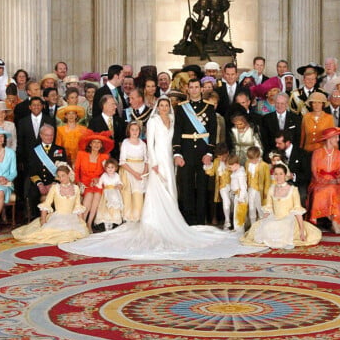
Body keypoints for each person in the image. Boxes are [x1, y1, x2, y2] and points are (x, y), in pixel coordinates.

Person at [60, 99, 265, 261]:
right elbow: (150, 143)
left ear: (170, 107)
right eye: (162, 105)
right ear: (158, 107)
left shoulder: (173, 121)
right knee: (159, 189)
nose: (165, 108)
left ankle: (174, 218)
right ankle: (155, 222)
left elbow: (175, 141)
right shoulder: (154, 121)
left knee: (172, 189)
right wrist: (153, 162)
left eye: (167, 105)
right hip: (158, 159)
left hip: (170, 158)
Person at [241, 162, 322, 249]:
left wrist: (302, 230)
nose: (278, 176)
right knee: (261, 226)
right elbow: (269, 209)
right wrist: (262, 222)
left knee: (283, 227)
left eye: (280, 174)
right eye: (276, 174)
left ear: (285, 175)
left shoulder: (293, 190)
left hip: (289, 219)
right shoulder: (271, 189)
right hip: (274, 217)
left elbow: (298, 212)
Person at [173, 77, 217, 226]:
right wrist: (177, 153)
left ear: (202, 89)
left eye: (196, 87)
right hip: (186, 152)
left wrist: (210, 153)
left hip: (203, 152)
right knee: (186, 186)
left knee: (203, 187)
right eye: (191, 87)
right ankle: (188, 221)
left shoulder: (209, 107)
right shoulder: (181, 107)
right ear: (187, 89)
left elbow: (213, 132)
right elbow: (177, 131)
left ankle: (201, 221)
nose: (194, 90)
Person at [12, 163, 89, 245]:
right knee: (49, 233)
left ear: (69, 174)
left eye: (63, 175)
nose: (61, 178)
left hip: (71, 218)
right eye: (59, 176)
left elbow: (78, 207)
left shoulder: (76, 188)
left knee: (75, 233)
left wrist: (82, 223)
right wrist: (43, 220)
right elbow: (46, 204)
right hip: (58, 217)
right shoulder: (55, 188)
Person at [308, 126, 340, 234]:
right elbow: (314, 173)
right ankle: (334, 223)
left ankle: (336, 221)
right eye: (336, 137)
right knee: (328, 190)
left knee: (334, 190)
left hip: (335, 182)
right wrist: (327, 182)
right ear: (329, 139)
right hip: (319, 182)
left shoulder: (339, 154)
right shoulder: (317, 153)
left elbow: (339, 172)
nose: (338, 140)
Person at [23, 124, 67, 221]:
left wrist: (54, 183)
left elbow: (63, 169)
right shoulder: (34, 151)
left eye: (51, 135)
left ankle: (57, 219)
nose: (49, 137)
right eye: (46, 135)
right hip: (39, 182)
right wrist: (40, 184)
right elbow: (31, 170)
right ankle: (36, 219)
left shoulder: (60, 150)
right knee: (33, 194)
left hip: (55, 182)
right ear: (41, 135)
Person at [74, 130, 113, 232]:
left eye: (99, 142)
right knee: (89, 195)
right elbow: (76, 170)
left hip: (97, 183)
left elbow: (107, 172)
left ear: (101, 145)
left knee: (97, 195)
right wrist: (78, 182)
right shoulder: (81, 154)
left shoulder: (105, 157)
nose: (96, 144)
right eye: (94, 142)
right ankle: (82, 223)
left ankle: (89, 223)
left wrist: (99, 179)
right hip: (84, 183)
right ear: (90, 144)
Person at [119, 120, 149, 223]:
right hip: (129, 170)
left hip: (141, 171)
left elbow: (146, 160)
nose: (135, 132)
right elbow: (122, 161)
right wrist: (134, 173)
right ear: (129, 131)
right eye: (132, 130)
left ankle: (138, 216)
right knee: (128, 194)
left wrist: (144, 173)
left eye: (137, 130)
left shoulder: (142, 144)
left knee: (139, 194)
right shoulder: (125, 143)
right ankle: (128, 217)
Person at [210, 153, 248, 232]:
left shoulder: (240, 173)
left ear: (235, 164)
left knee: (239, 214)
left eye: (230, 167)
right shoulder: (236, 171)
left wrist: (241, 197)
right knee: (236, 214)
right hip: (236, 195)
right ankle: (237, 229)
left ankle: (239, 230)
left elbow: (243, 187)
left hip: (240, 196)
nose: (229, 169)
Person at [260, 92, 301, 158]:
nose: (279, 106)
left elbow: (298, 138)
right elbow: (265, 139)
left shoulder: (296, 119)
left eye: (282, 103)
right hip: (273, 154)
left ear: (287, 104)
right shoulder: (266, 119)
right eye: (277, 103)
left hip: (291, 155)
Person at [244, 145, 272, 229]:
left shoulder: (264, 165)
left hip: (259, 190)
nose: (252, 161)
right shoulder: (247, 163)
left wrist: (266, 192)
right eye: (250, 159)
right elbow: (246, 176)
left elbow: (267, 180)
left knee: (260, 208)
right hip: (250, 189)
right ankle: (253, 226)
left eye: (254, 159)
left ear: (258, 156)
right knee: (251, 207)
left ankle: (262, 226)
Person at [93, 157, 124, 231]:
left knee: (114, 207)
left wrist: (119, 185)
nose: (110, 169)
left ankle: (113, 222)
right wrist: (95, 184)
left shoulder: (116, 175)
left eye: (112, 167)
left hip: (115, 193)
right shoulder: (104, 175)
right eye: (108, 167)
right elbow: (100, 185)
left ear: (116, 168)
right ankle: (107, 225)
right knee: (106, 208)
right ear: (105, 168)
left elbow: (120, 182)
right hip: (106, 194)